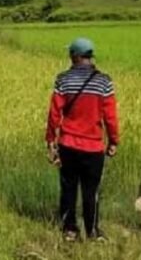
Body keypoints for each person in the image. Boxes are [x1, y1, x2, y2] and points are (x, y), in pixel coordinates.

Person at [45, 38, 119, 242]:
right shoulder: (104, 81)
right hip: (94, 146)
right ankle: (92, 231)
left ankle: (70, 230)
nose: (69, 56)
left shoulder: (63, 79)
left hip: (68, 144)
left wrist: (50, 140)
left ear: (76, 56)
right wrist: (113, 141)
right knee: (91, 191)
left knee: (68, 188)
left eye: (70, 53)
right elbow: (110, 116)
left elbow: (54, 113)